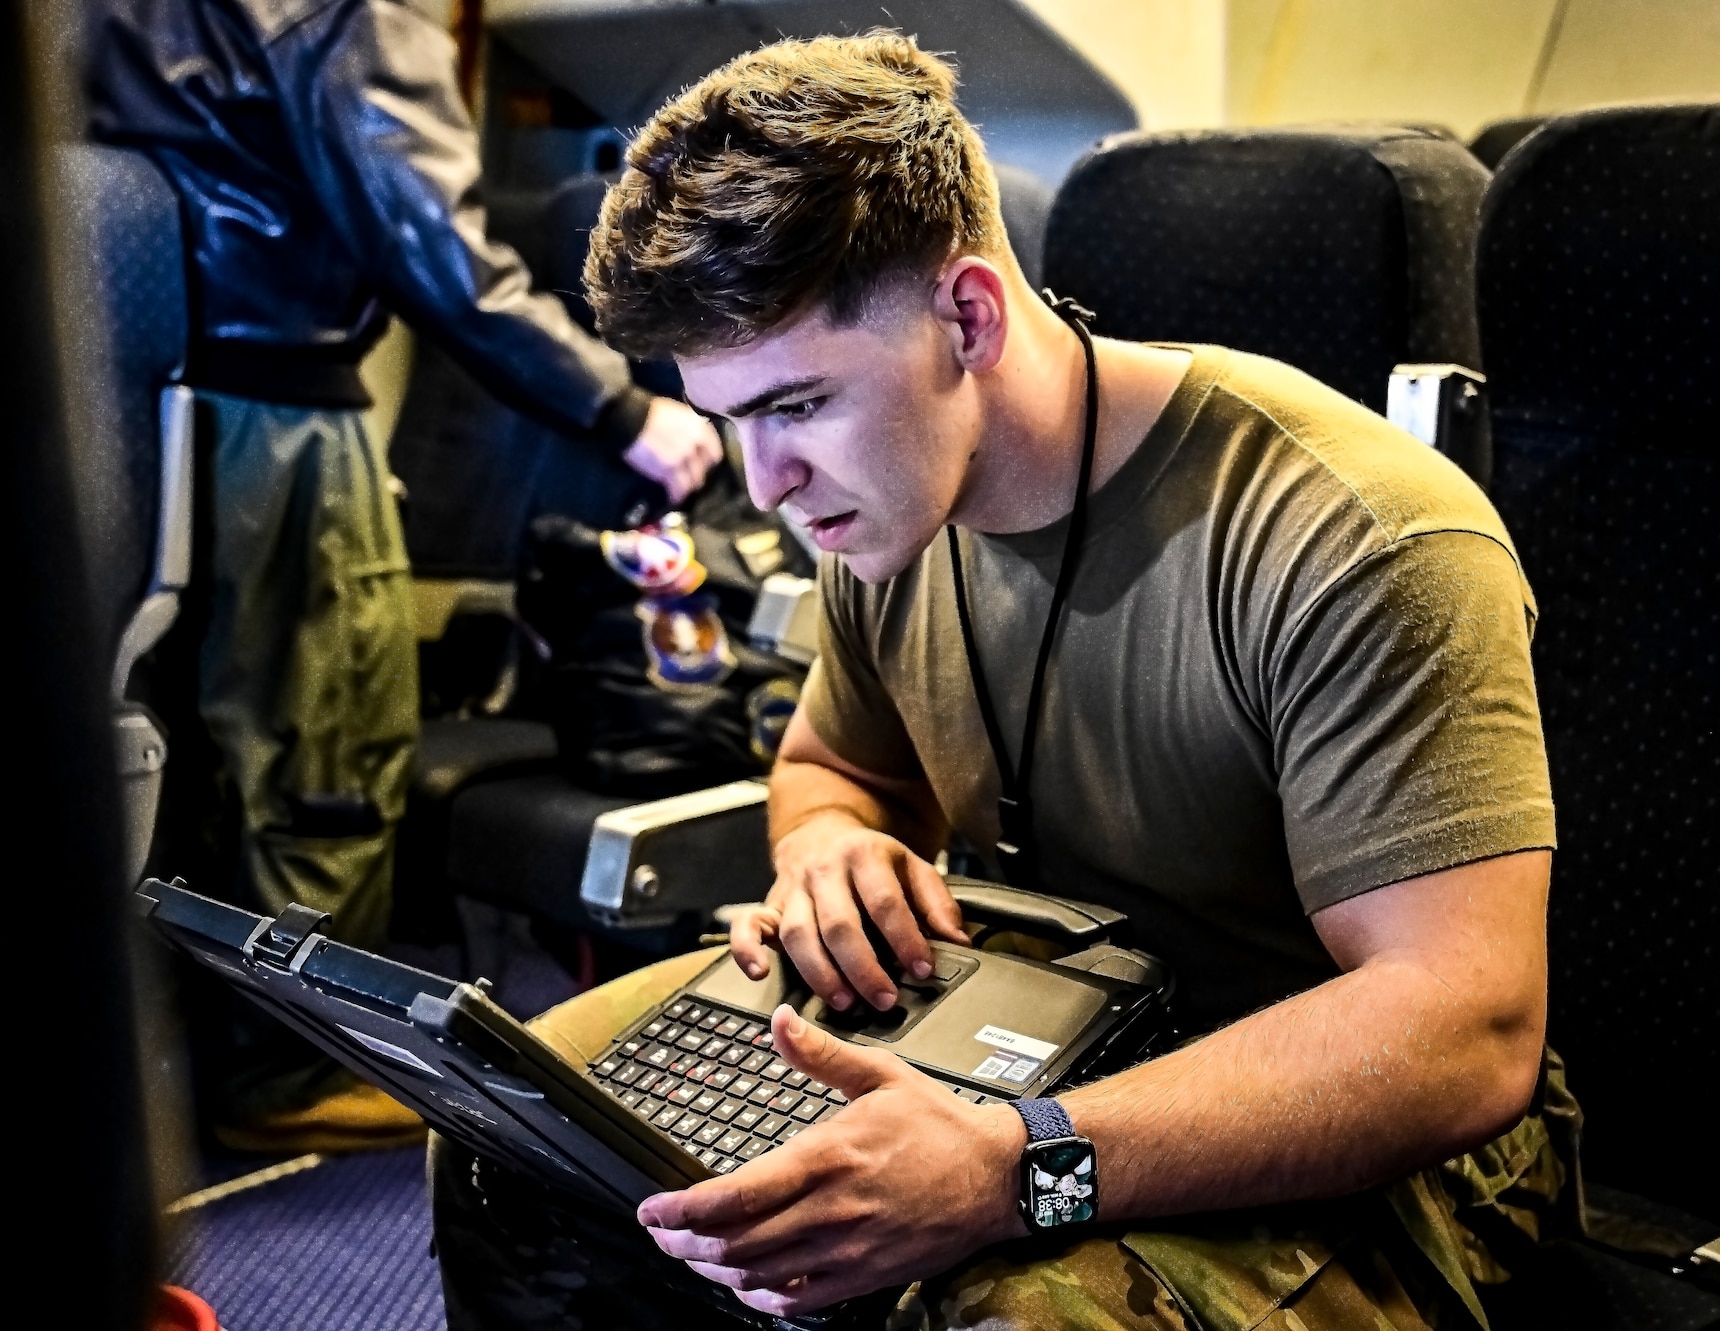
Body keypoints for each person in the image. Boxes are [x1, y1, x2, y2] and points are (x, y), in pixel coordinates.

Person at [431, 31, 1574, 1331]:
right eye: (732, 416)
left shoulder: (1353, 534)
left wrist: (1021, 1162)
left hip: (1364, 1125)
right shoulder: (892, 505)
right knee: (508, 1127)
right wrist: (830, 848)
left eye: (797, 404)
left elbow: (1461, 1030)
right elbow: (838, 764)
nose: (765, 484)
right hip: (1020, 1013)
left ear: (968, 316)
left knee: (995, 1306)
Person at [86, 0, 723, 1152]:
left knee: (205, 752)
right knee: (329, 746)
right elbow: (436, 243)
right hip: (282, 412)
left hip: (154, 391)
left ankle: (200, 1051)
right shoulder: (351, 8)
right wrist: (625, 409)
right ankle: (288, 1067)